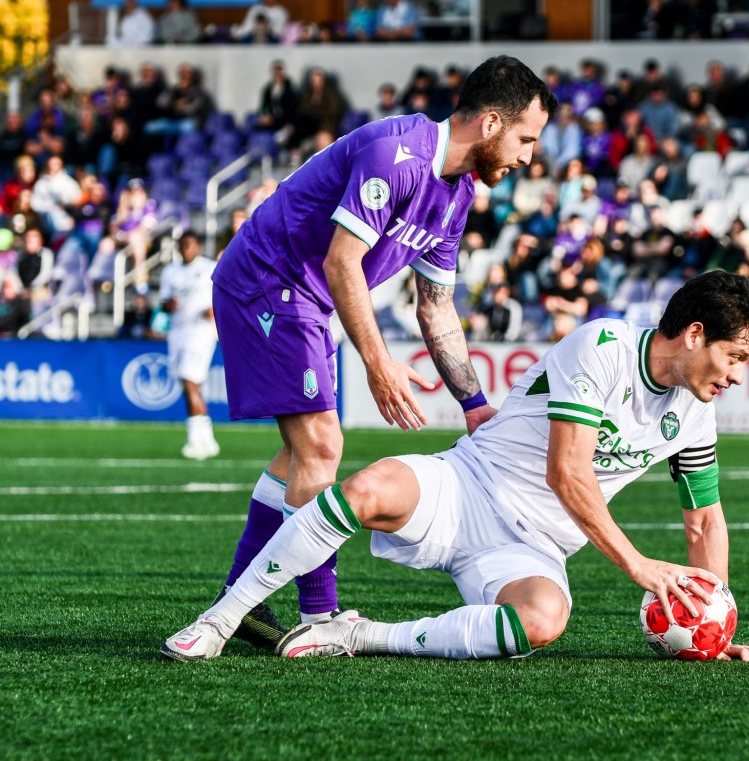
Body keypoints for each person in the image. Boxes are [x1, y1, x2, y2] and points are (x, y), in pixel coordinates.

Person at [162, 270, 749, 663]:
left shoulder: (695, 414)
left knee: (543, 621)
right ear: (695, 334)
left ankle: (357, 634)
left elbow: (704, 523)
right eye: (735, 356)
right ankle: (220, 620)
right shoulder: (605, 348)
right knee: (367, 487)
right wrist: (638, 565)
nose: (734, 375)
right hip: (466, 487)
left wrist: (714, 622)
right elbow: (569, 473)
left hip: (533, 548)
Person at [167, 56, 557, 650]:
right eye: (526, 138)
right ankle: (319, 613)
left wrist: (475, 403)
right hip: (269, 277)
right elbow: (341, 261)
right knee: (323, 445)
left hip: (310, 297)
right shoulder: (396, 153)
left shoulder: (458, 195)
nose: (529, 156)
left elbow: (435, 305)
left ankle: (236, 601)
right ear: (491, 122)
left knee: (299, 453)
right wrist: (377, 364)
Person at [158, 231, 220, 458]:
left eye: (190, 245)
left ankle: (195, 440)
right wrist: (169, 305)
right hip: (177, 331)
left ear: (198, 246)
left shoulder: (208, 268)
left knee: (189, 380)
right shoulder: (170, 271)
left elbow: (223, 293)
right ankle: (208, 440)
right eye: (182, 245)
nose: (186, 249)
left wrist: (214, 309)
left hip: (201, 331)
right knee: (191, 384)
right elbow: (162, 303)